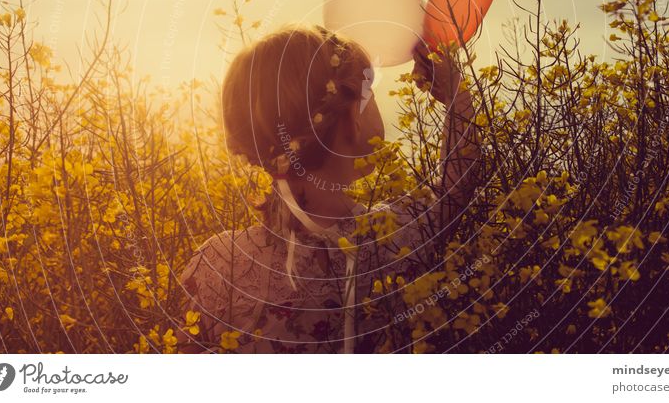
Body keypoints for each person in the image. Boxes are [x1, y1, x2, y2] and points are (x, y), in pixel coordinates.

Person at [176, 24, 477, 353]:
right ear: (352, 119)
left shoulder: (217, 264)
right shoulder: (392, 239)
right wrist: (456, 94)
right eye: (369, 93)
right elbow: (457, 184)